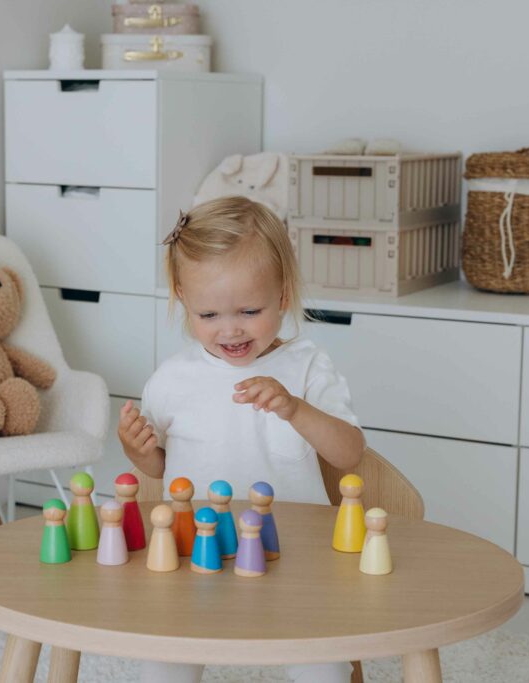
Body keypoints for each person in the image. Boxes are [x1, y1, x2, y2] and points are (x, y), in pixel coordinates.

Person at [118, 196, 365, 683]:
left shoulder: (306, 365)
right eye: (208, 315)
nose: (230, 329)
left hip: (295, 556)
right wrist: (138, 450)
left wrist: (295, 407)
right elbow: (161, 469)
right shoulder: (173, 378)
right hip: (195, 553)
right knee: (162, 665)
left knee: (324, 667)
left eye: (249, 310)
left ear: (283, 294)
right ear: (182, 298)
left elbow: (349, 454)